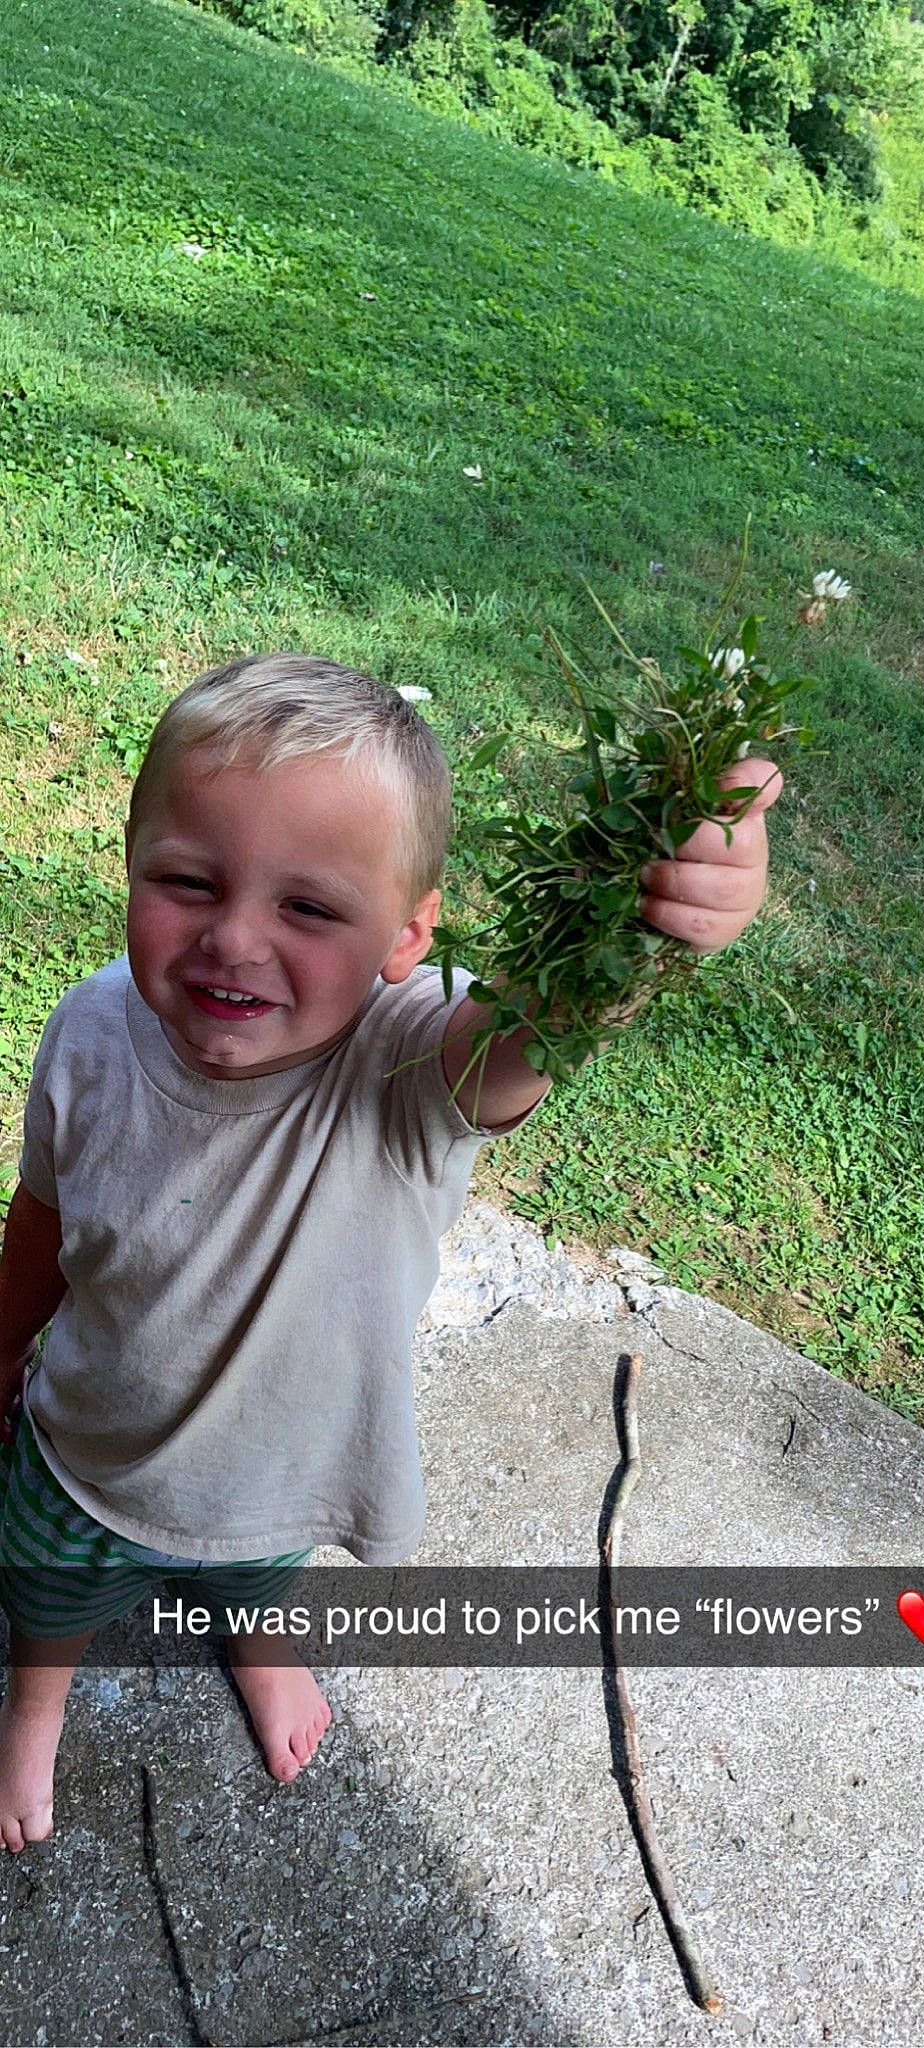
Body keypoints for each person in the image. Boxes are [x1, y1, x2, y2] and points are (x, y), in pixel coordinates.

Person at [0, 651, 782, 1852]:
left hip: (279, 1479)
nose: (234, 940)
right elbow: (45, 1213)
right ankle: (35, 1705)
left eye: (308, 907)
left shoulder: (407, 1067)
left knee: (260, 1575)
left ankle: (261, 1640)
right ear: (129, 860)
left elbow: (532, 1030)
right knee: (44, 1600)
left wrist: (647, 924)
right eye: (187, 879)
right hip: (83, 1456)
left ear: (409, 935)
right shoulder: (94, 1024)